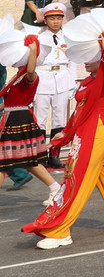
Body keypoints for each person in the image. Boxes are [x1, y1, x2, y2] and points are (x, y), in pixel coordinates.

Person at [23, 28, 104, 249]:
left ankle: (60, 230)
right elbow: (78, 112)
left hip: (96, 133)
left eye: (91, 57)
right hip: (83, 133)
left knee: (76, 180)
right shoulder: (85, 82)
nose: (85, 61)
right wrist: (67, 133)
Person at [0, 36, 64, 207]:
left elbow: (30, 72)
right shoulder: (16, 78)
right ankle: (56, 188)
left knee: (23, 162)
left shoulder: (31, 76)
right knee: (16, 162)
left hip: (18, 120)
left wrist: (33, 50)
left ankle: (56, 188)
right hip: (11, 118)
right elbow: (9, 103)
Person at [34, 4, 81, 168]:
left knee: (58, 119)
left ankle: (54, 155)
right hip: (42, 78)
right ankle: (39, 156)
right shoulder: (38, 38)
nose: (56, 22)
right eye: (52, 18)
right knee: (39, 119)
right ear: (45, 20)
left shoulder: (68, 38)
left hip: (62, 78)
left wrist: (72, 83)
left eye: (59, 18)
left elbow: (73, 61)